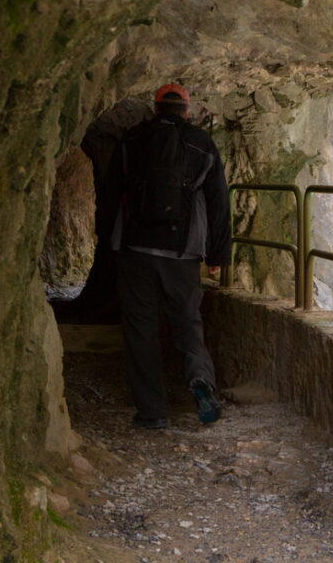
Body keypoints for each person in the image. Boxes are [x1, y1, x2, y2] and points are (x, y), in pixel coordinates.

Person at [107, 84, 231, 428]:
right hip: (183, 253)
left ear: (155, 108)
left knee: (140, 330)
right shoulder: (201, 145)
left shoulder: (132, 140)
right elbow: (219, 203)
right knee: (188, 322)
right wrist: (218, 254)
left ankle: (152, 412)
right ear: (187, 111)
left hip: (135, 250)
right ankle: (201, 380)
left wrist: (108, 245)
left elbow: (111, 191)